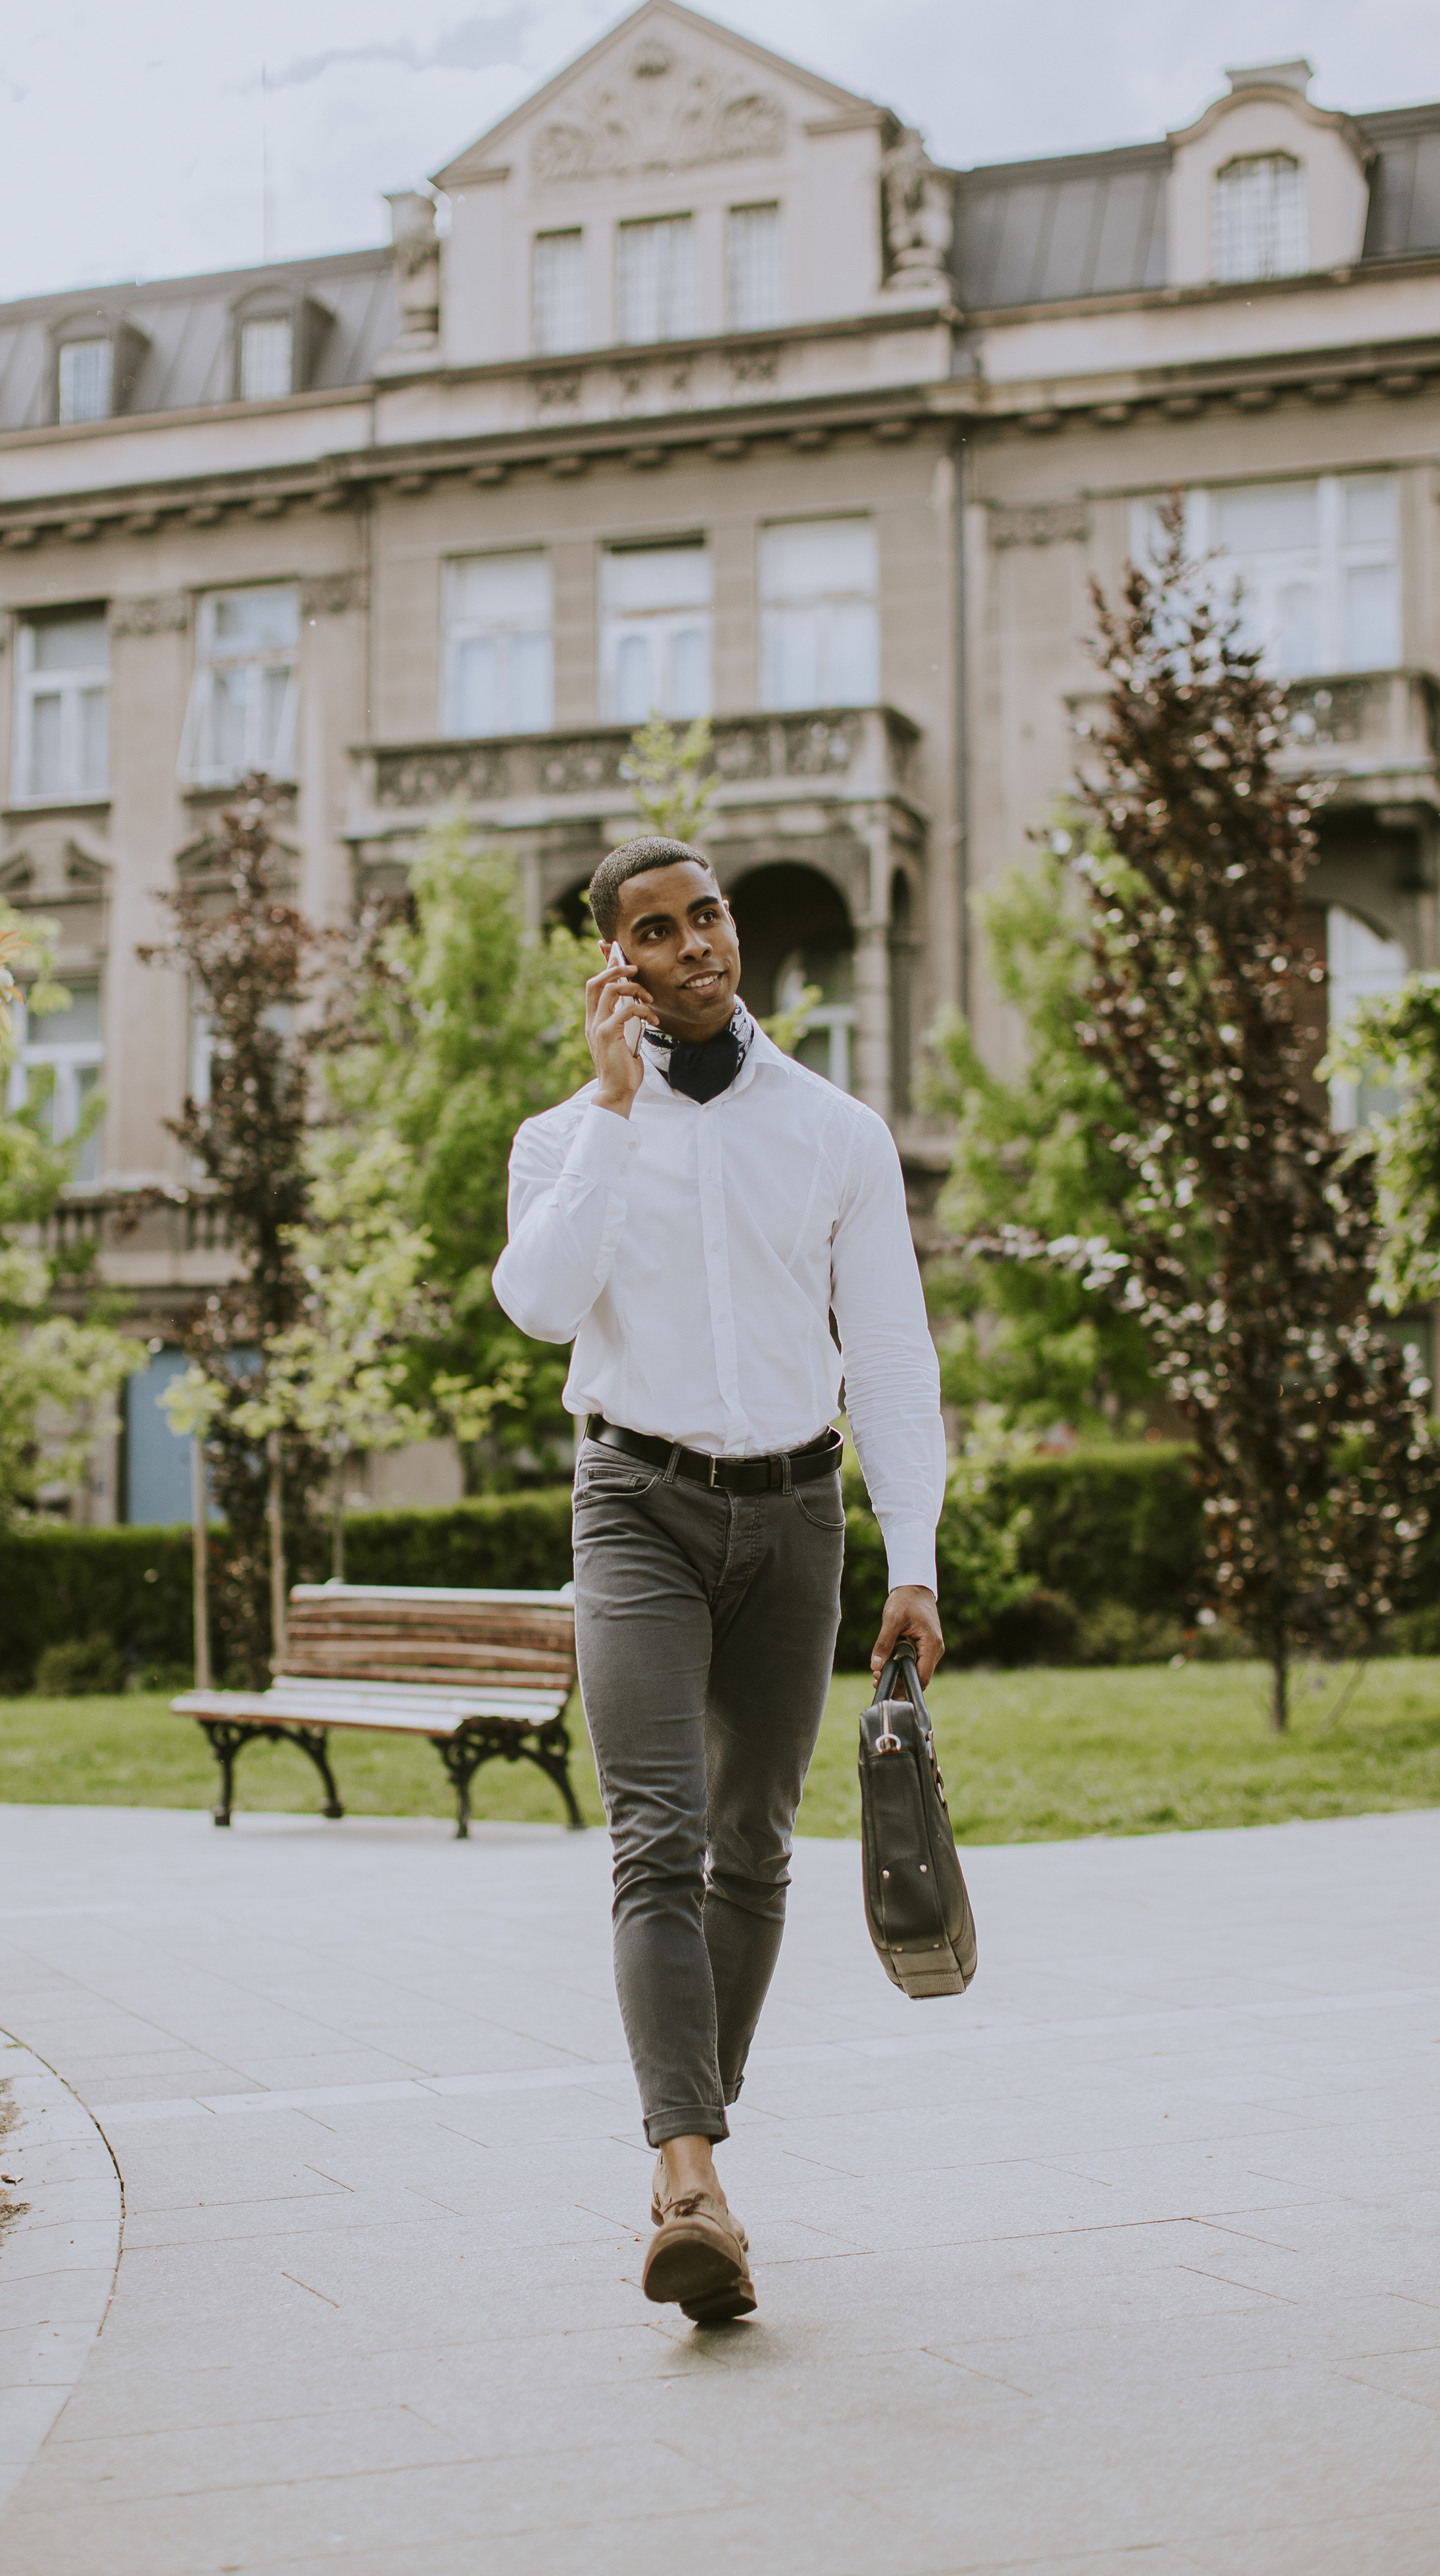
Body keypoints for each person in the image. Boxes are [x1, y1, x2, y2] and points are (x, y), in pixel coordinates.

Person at [492, 836, 944, 2323]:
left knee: (751, 1848)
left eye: (709, 915)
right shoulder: (564, 1138)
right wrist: (618, 1111)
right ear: (612, 960)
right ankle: (688, 2181)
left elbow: (885, 1352)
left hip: (795, 1509)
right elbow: (540, 1304)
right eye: (656, 929)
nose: (695, 943)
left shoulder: (832, 1130)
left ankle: (690, 2140)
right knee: (655, 1833)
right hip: (632, 1501)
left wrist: (912, 1554)